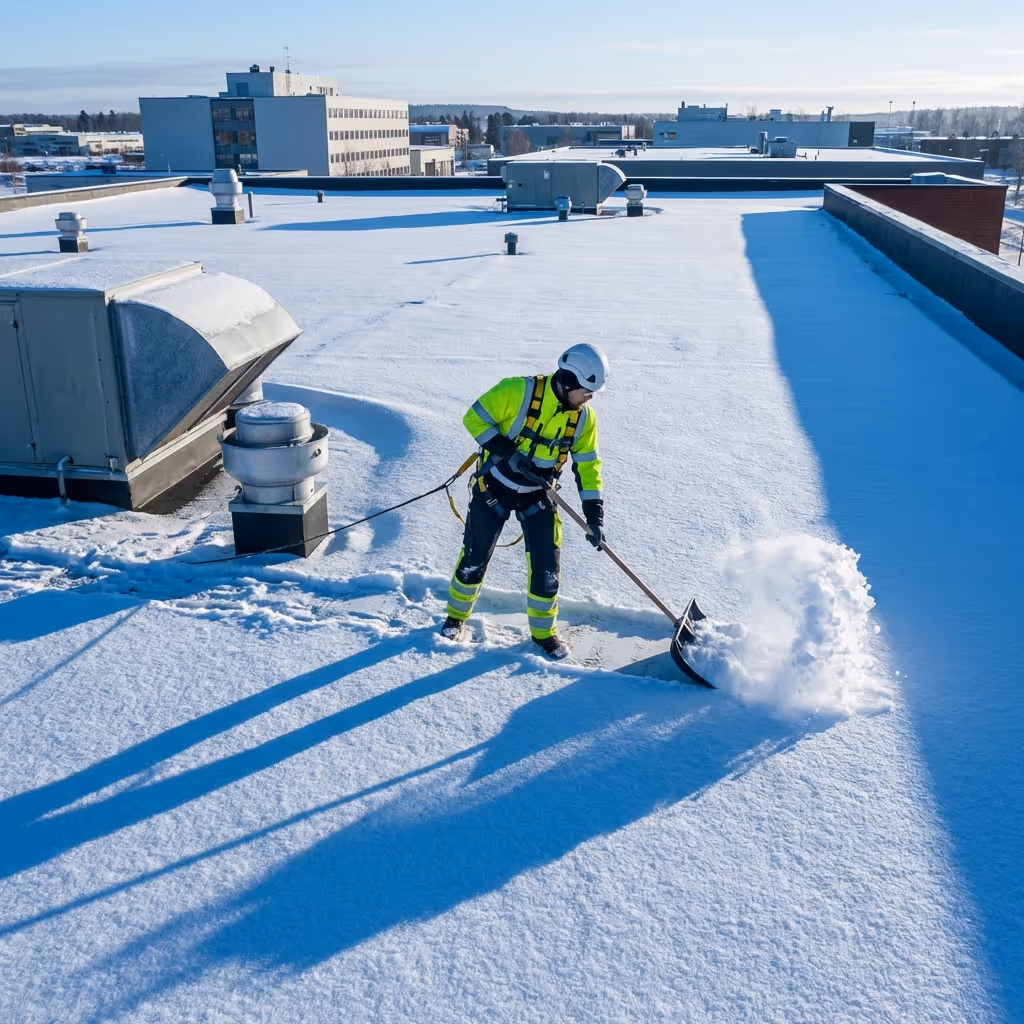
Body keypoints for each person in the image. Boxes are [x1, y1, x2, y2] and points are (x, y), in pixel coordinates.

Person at [441, 343, 608, 659]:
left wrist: (594, 516)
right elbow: (473, 418)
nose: (589, 398)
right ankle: (455, 618)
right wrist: (508, 452)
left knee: (547, 568)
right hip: (494, 489)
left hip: (538, 496)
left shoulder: (584, 420)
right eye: (587, 391)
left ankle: (544, 634)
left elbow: (588, 466)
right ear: (568, 381)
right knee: (475, 556)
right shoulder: (516, 391)